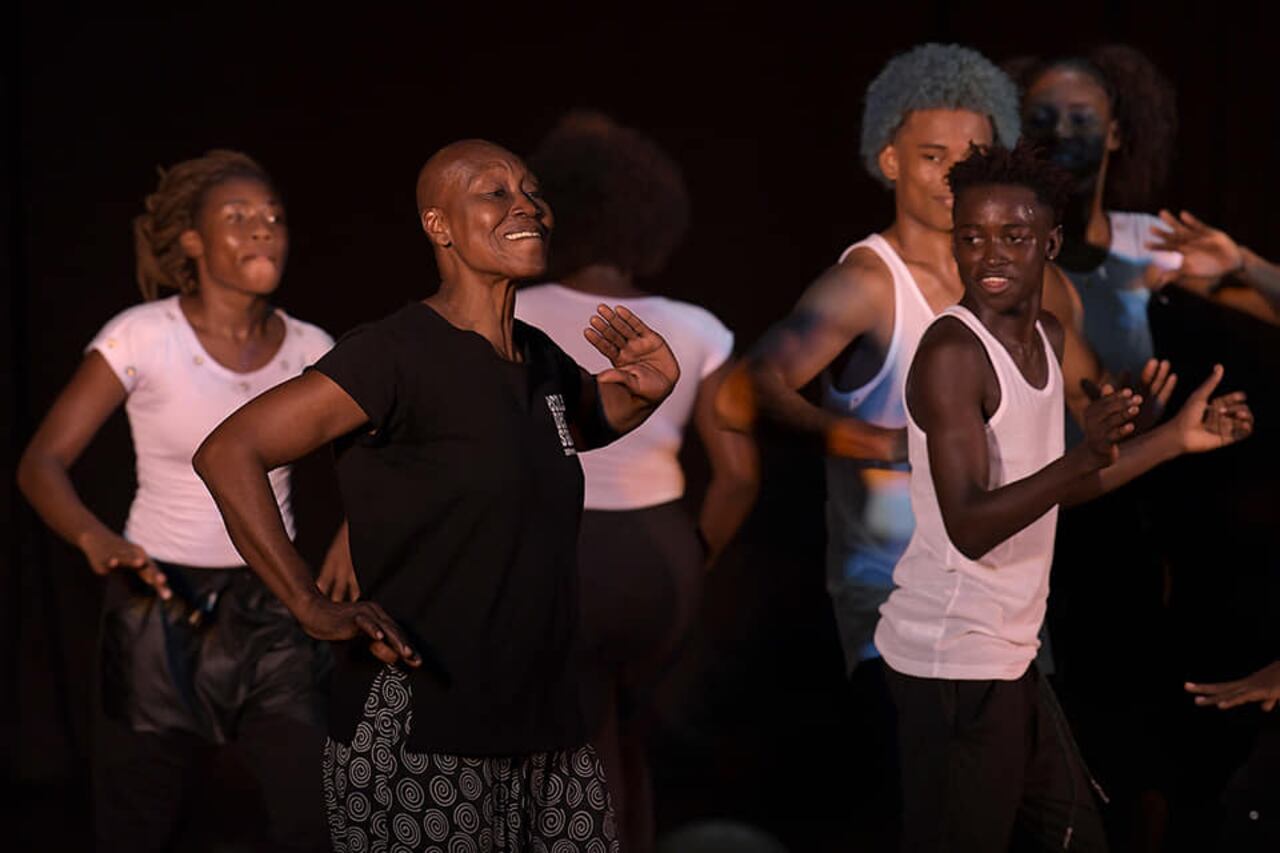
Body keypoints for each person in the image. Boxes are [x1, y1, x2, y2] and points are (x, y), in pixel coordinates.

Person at [193, 139, 680, 851]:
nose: (527, 207)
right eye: (494, 192)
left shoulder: (539, 355)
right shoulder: (393, 354)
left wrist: (645, 396)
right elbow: (229, 450)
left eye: (532, 192)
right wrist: (306, 601)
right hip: (422, 735)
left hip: (552, 732)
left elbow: (575, 430)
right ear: (438, 226)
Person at [727, 44, 1101, 841]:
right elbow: (749, 383)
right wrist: (864, 437)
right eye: (930, 155)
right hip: (897, 607)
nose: (948, 173)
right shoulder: (869, 282)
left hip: (1008, 609)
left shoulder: (1035, 283)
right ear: (888, 158)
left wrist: (1140, 420)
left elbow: (1089, 403)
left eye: (967, 155)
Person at [875, 140, 1253, 852]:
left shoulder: (1047, 335)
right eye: (972, 236)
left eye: (1013, 237)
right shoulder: (952, 355)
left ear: (1049, 241)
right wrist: (1083, 452)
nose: (989, 254)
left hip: (1009, 655)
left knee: (1079, 835)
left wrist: (1176, 438)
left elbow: (1057, 494)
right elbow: (970, 526)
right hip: (953, 663)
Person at [15, 150, 338, 852]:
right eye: (238, 217)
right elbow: (41, 462)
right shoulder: (144, 335)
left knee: (312, 814)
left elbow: (379, 468)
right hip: (157, 602)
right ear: (191, 241)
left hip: (277, 604)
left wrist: (348, 543)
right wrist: (94, 538)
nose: (262, 230)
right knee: (139, 821)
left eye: (273, 217)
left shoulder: (314, 348)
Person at [515, 112, 759, 851]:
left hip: (564, 558)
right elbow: (740, 476)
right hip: (661, 563)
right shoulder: (698, 326)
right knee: (623, 738)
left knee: (569, 756)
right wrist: (697, 555)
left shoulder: (508, 315)